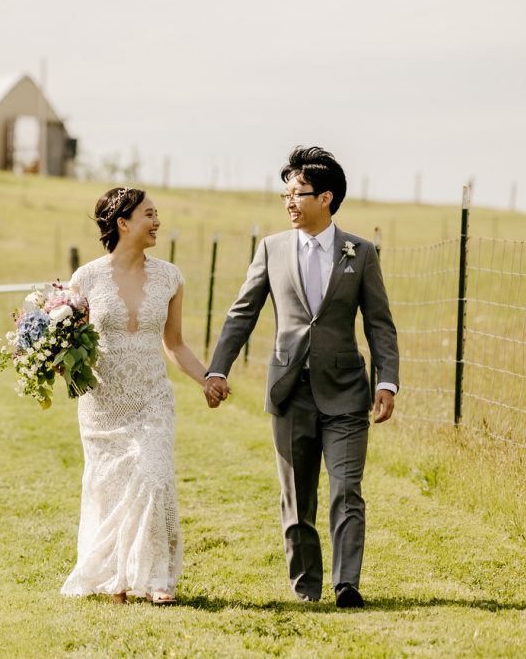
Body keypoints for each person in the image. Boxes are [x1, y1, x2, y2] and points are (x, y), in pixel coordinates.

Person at [204, 146, 398, 608]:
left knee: (347, 489)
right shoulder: (271, 248)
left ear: (326, 197)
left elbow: (379, 324)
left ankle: (346, 583)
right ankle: (306, 588)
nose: (289, 202)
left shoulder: (360, 253)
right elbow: (241, 314)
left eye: (298, 193)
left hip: (348, 392)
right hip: (290, 393)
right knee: (297, 499)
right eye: (285, 194)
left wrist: (387, 381)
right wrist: (217, 368)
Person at [61, 187, 211, 604]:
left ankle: (158, 578)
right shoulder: (86, 279)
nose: (157, 221)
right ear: (123, 223)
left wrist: (207, 379)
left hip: (152, 398)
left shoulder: (170, 277)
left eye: (157, 213)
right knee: (111, 489)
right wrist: (53, 359)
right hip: (103, 403)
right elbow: (72, 342)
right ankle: (118, 579)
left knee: (154, 475)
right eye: (149, 214)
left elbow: (175, 344)